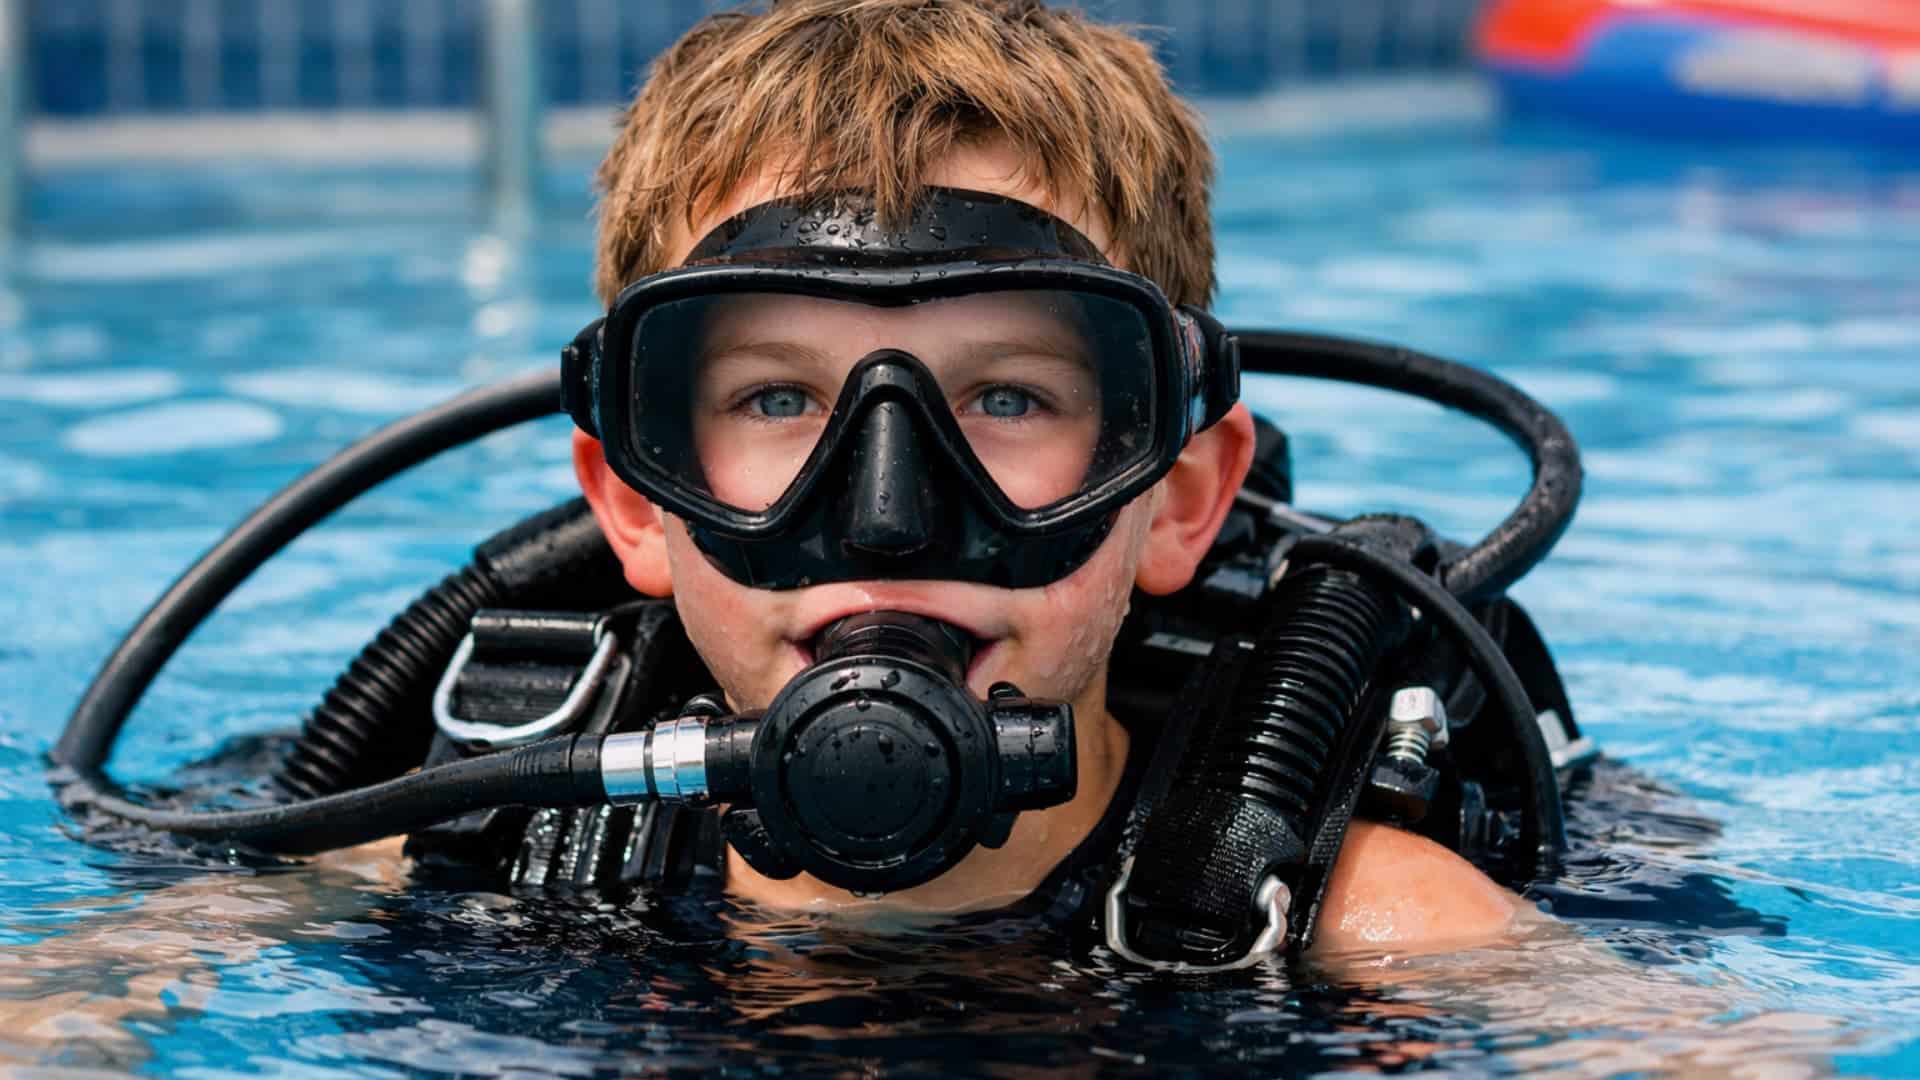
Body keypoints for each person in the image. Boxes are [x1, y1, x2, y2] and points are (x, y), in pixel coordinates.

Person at [563, 0, 1527, 957]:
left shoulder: (1396, 936)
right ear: (638, 501)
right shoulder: (464, 857)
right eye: (777, 399)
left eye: (1010, 399)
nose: (888, 521)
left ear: (1177, 498)